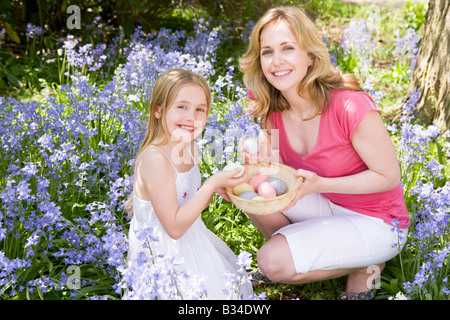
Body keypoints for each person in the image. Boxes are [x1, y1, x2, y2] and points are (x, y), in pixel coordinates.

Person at [238, 6, 410, 300]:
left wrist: (321, 184)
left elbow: (388, 176)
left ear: (310, 55)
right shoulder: (271, 104)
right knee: (248, 194)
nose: (276, 61)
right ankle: (325, 252)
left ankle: (365, 262)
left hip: (376, 221)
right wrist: (261, 165)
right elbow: (283, 175)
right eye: (267, 52)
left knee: (271, 260)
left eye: (288, 48)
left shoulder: (349, 105)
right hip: (322, 204)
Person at [125, 68, 253, 299]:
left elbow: (191, 204)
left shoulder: (187, 145)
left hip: (193, 239)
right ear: (157, 110)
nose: (191, 117)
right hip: (163, 254)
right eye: (181, 106)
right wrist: (211, 184)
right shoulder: (155, 159)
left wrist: (215, 189)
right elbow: (174, 228)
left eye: (199, 109)